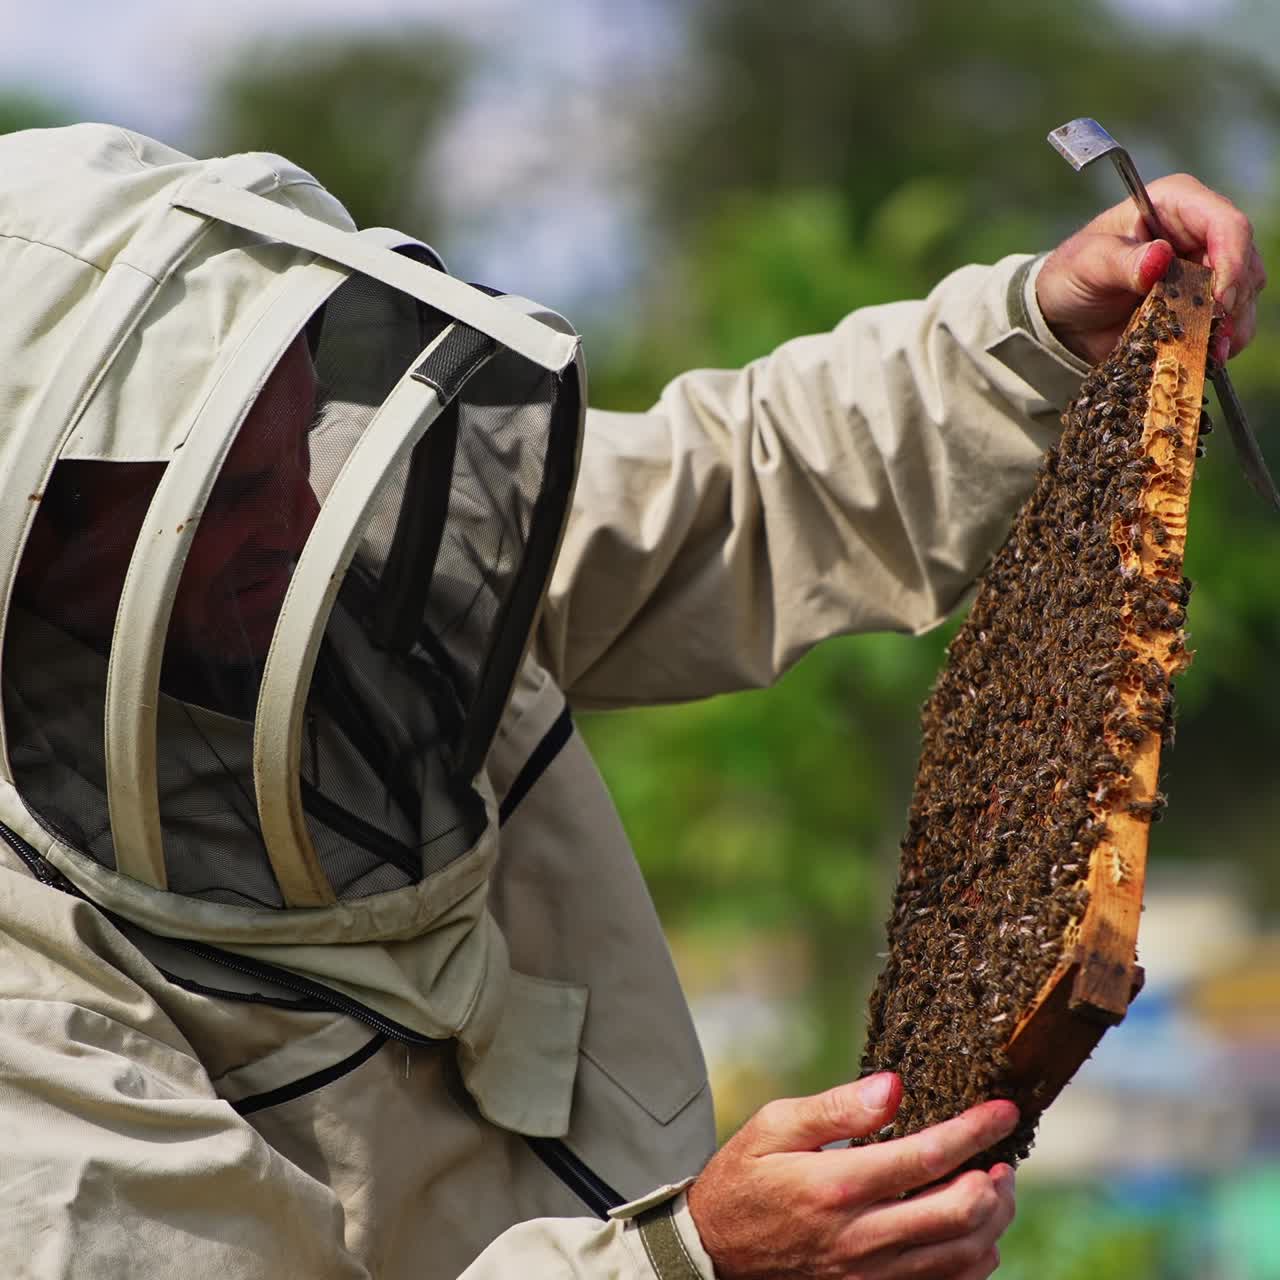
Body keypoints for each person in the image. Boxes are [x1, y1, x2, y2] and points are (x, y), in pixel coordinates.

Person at [0, 123, 1261, 1280]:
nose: (302, 521)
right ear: (32, 535)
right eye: (221, 495)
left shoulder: (364, 541)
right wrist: (684, 1260)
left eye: (292, 448)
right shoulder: (26, 1005)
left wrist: (1031, 339)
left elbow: (734, 489)